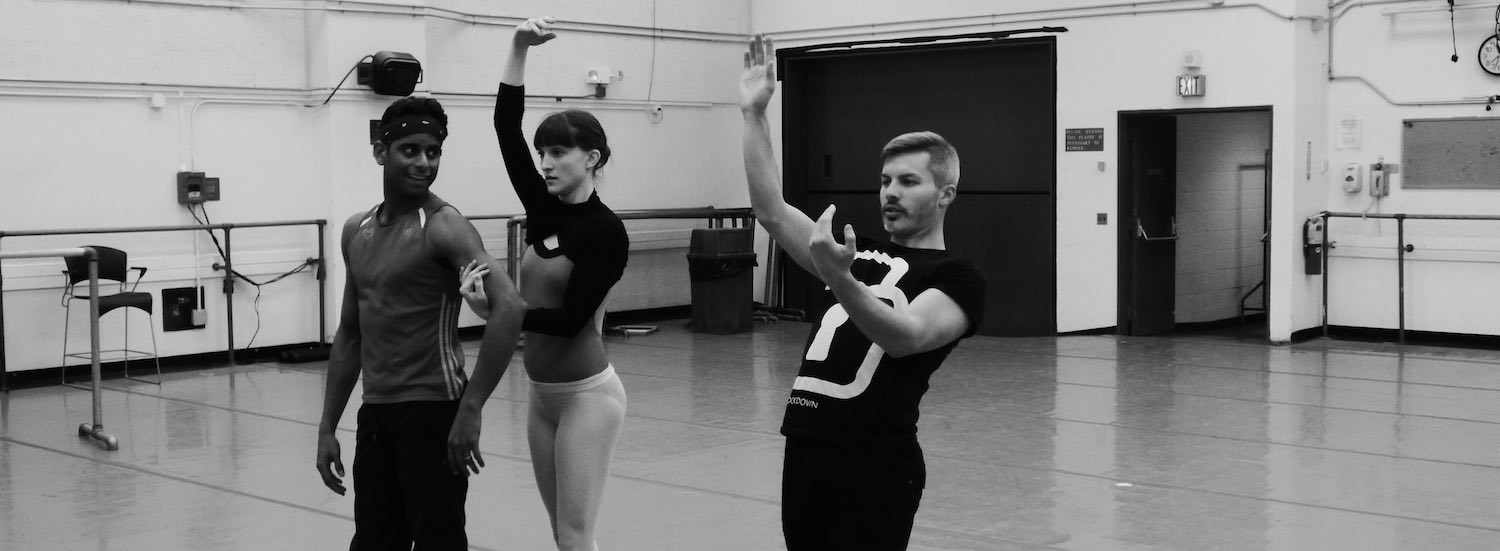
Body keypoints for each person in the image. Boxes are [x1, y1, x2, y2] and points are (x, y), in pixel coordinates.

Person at [738, 35, 988, 550]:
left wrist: (840, 278)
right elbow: (772, 211)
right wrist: (753, 116)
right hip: (806, 448)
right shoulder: (857, 251)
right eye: (885, 180)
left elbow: (906, 336)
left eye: (908, 181)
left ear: (945, 194)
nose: (890, 192)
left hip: (874, 461)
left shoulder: (957, 277)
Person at [315, 96, 527, 550]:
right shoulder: (357, 229)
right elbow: (350, 334)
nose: (424, 162)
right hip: (377, 415)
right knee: (373, 541)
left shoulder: (443, 225)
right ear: (380, 152)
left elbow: (509, 306)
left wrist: (470, 410)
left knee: (439, 541)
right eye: (410, 150)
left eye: (433, 152)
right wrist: (327, 427)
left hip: (434, 412)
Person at [460, 16, 629, 551]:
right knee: (562, 537)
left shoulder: (605, 232)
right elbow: (506, 129)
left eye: (559, 153)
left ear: (592, 159)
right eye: (544, 154)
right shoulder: (544, 211)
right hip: (541, 398)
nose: (547, 164)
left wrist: (498, 311)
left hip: (587, 398)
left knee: (577, 536)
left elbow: (568, 320)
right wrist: (517, 48)